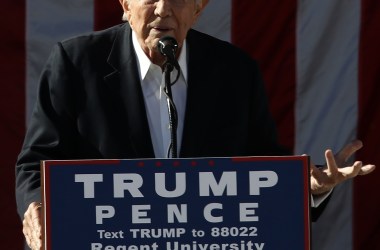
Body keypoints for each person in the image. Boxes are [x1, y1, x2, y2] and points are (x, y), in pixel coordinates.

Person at [16, 0, 375, 249]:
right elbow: (36, 163)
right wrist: (37, 208)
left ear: (198, 8)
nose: (162, 9)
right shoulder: (77, 65)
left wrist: (305, 187)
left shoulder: (234, 72)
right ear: (125, 6)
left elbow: (261, 167)